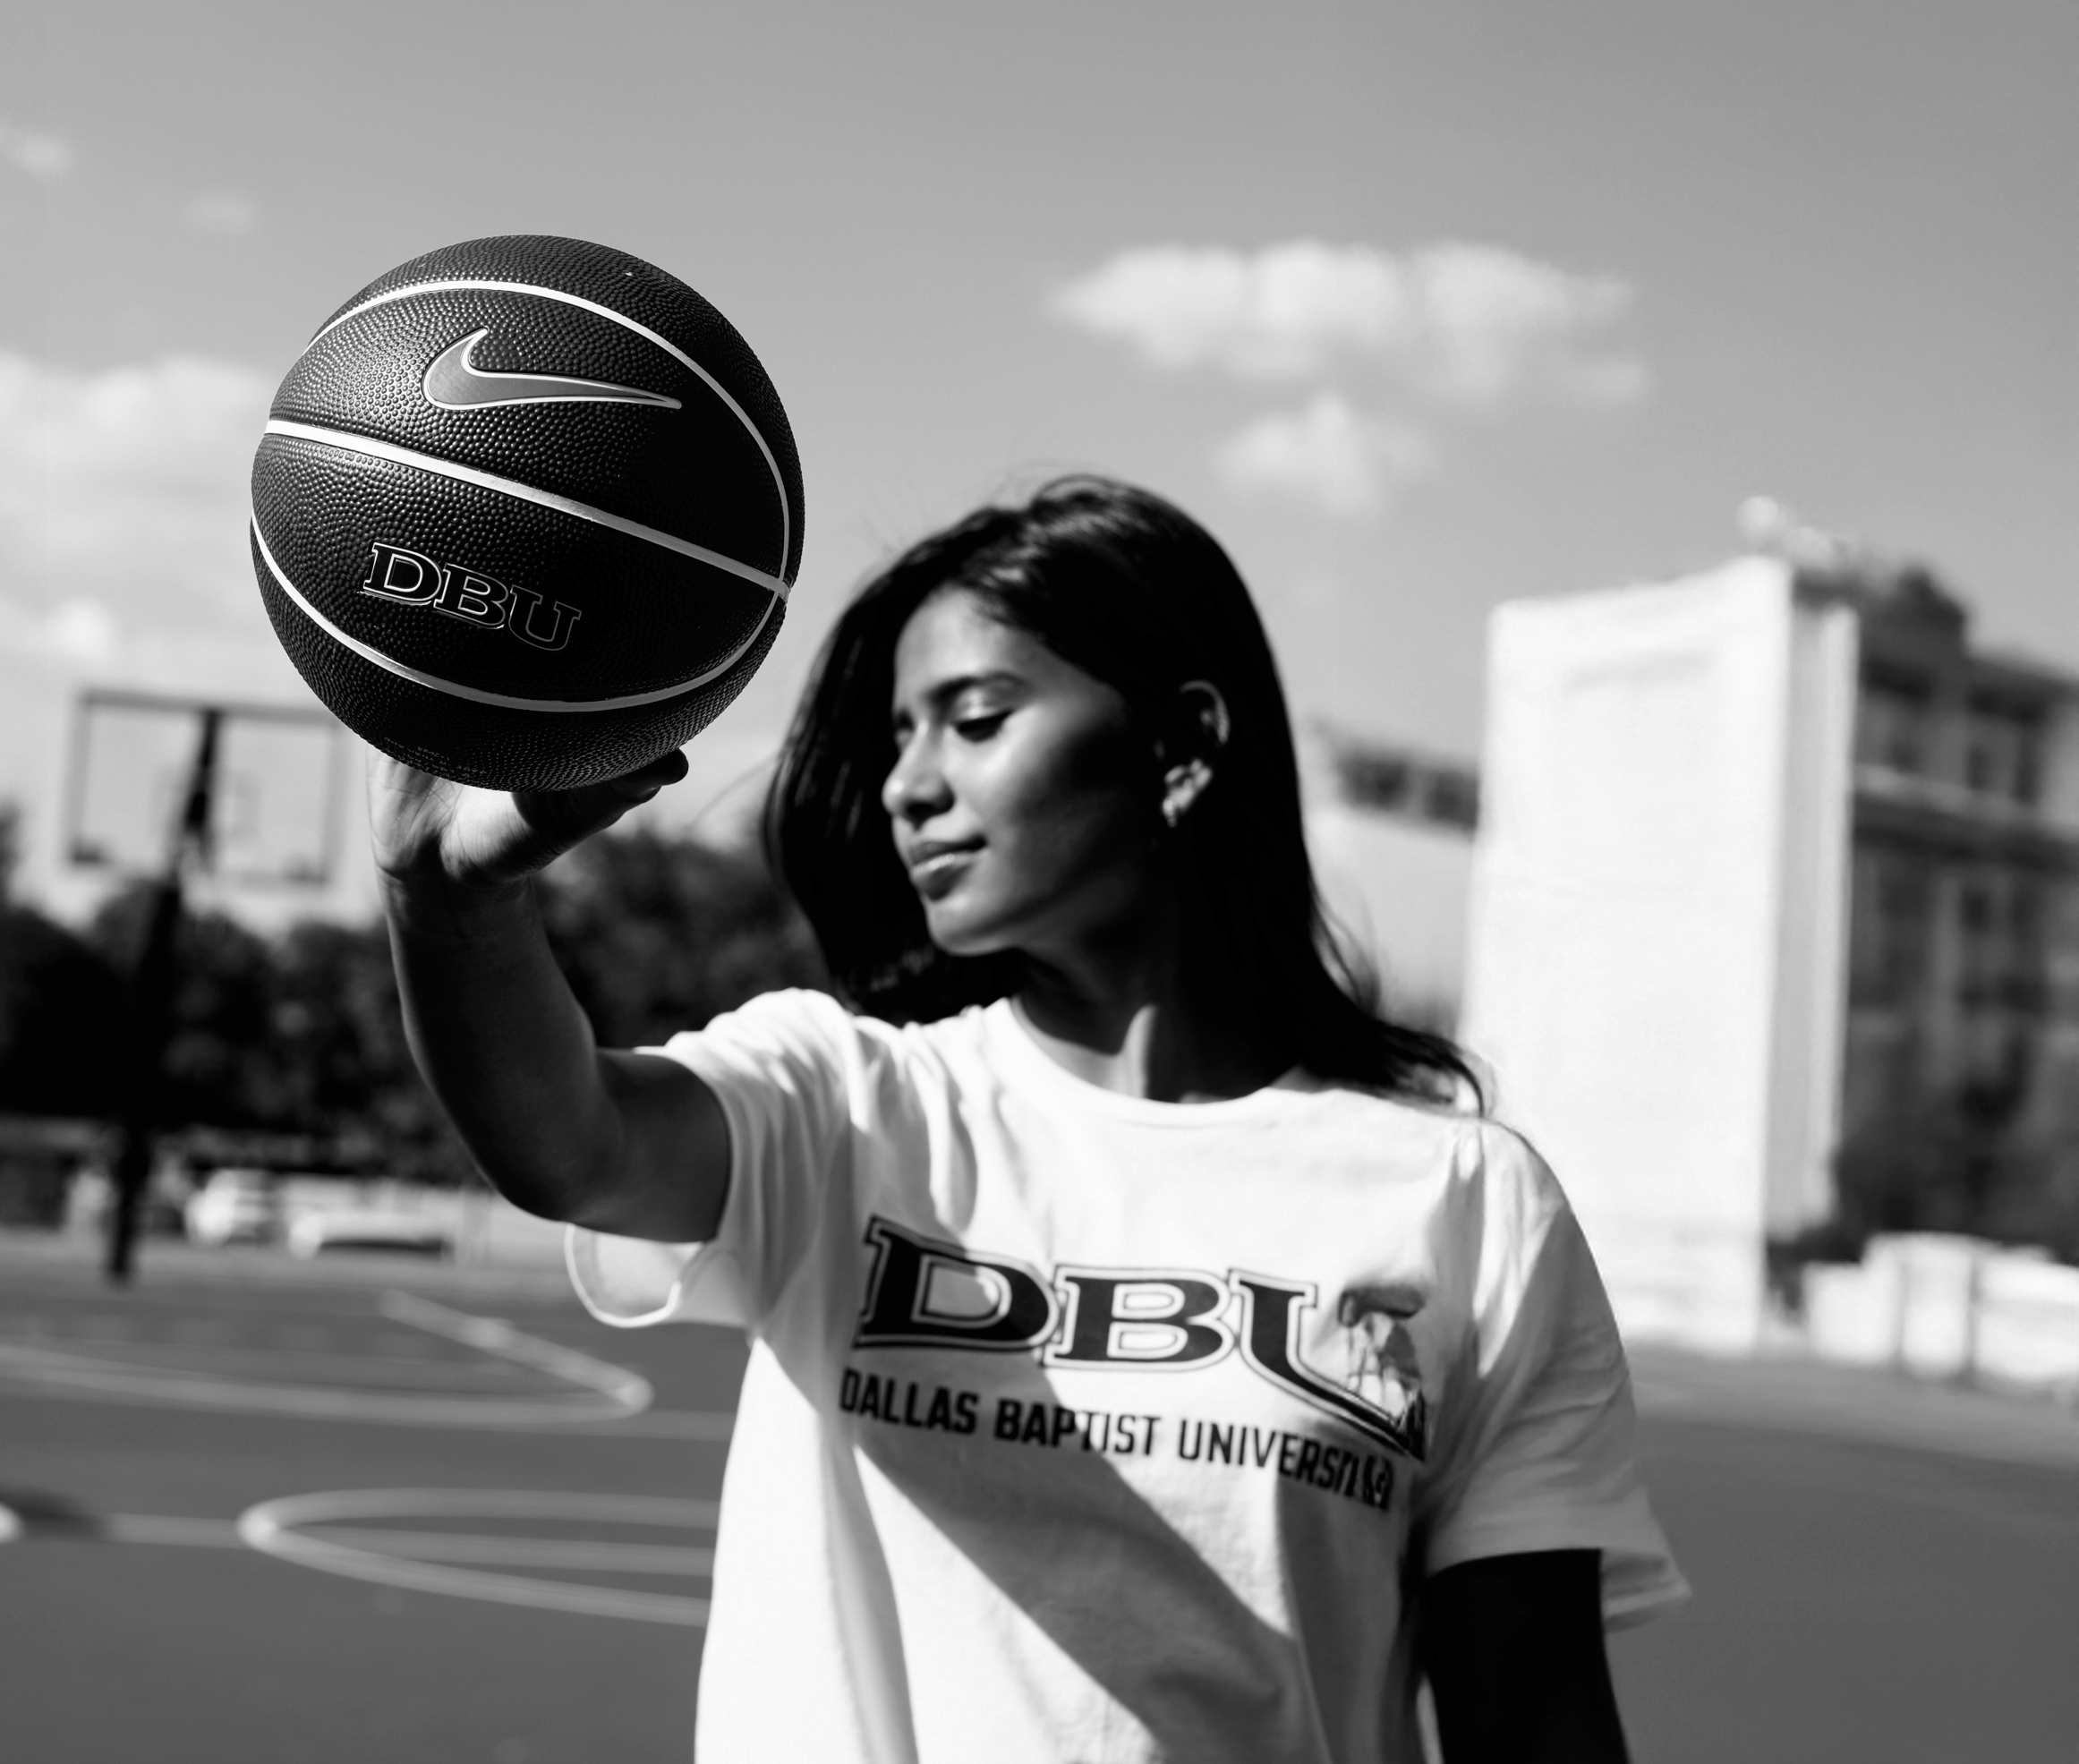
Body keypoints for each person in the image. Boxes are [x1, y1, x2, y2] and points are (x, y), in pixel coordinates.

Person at [374, 478, 1684, 1763]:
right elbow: (570, 1142)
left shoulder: (1461, 1198)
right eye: (898, 734)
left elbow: (1539, 1721)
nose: (907, 784)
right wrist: (449, 906)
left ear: (1181, 744)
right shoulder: (848, 1104)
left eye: (974, 719)